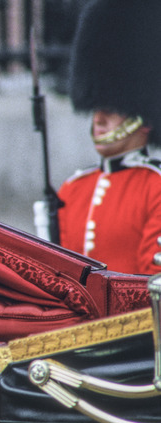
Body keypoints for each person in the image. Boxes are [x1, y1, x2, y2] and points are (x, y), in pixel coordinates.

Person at [57, 0, 161, 275]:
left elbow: (152, 281)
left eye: (112, 110)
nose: (98, 119)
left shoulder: (155, 187)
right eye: (95, 108)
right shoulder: (72, 189)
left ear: (144, 120)